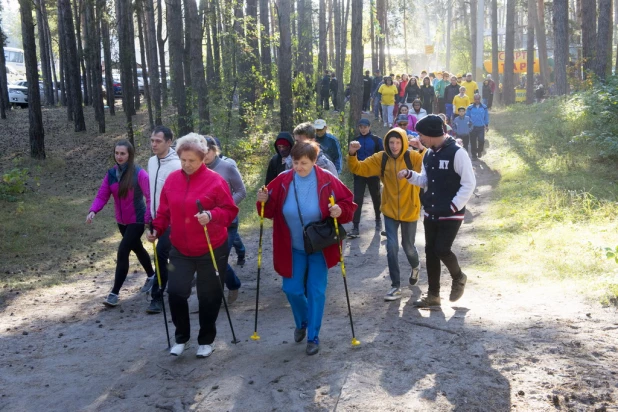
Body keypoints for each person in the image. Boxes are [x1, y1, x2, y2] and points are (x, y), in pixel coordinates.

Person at [257, 141, 356, 356]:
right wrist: (262, 200)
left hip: (320, 246)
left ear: (314, 161)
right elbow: (268, 210)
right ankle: (302, 322)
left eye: (304, 163)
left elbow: (348, 203)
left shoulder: (327, 180)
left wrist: (340, 210)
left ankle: (313, 335)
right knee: (291, 289)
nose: (299, 167)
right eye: (295, 162)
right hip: (292, 246)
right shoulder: (283, 180)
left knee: (316, 291)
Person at [147, 133, 238, 358]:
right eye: (183, 160)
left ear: (203, 157)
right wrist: (156, 229)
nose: (187, 165)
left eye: (192, 161)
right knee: (176, 292)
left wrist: (211, 214)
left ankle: (206, 340)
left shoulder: (216, 180)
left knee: (209, 296)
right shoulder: (172, 180)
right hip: (180, 248)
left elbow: (229, 211)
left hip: (211, 247)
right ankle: (181, 337)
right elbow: (164, 212)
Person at [398, 115, 475, 307]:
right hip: (431, 211)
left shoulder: (458, 153)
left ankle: (459, 277)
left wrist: (453, 206)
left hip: (451, 213)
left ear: (432, 134)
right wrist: (410, 175)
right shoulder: (429, 154)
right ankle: (433, 295)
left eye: (421, 134)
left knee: (442, 249)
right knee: (430, 252)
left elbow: (469, 183)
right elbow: (425, 180)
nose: (419, 138)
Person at [348, 128, 426, 301]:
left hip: (410, 209)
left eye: (398, 142)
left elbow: (428, 166)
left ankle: (415, 266)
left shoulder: (412, 157)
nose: (395, 146)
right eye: (391, 142)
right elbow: (359, 168)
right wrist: (352, 154)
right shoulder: (381, 158)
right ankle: (395, 286)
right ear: (386, 143)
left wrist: (421, 148)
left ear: (404, 142)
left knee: (408, 247)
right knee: (391, 246)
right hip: (389, 209)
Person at [87, 139, 155, 307]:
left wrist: (148, 218)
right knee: (136, 247)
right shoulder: (111, 173)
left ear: (129, 154)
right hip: (122, 221)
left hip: (137, 220)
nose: (119, 156)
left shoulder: (139, 173)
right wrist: (93, 210)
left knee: (123, 250)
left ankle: (114, 293)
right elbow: (102, 195)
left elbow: (149, 196)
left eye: (123, 153)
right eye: (117, 153)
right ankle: (152, 276)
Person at [203, 136, 246, 305]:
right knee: (208, 258)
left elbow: (241, 191)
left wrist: (226, 207)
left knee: (219, 258)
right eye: (201, 151)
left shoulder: (227, 167)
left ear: (215, 150)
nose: (205, 155)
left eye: (208, 151)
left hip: (228, 221)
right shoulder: (198, 170)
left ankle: (231, 285)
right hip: (207, 222)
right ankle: (219, 291)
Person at [146, 126, 181, 313]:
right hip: (155, 218)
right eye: (152, 140)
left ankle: (157, 296)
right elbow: (151, 192)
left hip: (172, 220)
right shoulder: (151, 162)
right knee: (168, 256)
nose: (154, 144)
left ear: (169, 142)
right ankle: (184, 278)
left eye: (158, 141)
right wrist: (149, 216)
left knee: (161, 254)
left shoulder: (176, 165)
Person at [348, 119, 383, 238]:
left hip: (373, 174)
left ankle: (378, 219)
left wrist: (380, 172)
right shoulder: (355, 140)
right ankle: (355, 226)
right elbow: (351, 156)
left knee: (376, 196)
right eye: (361, 127)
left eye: (365, 127)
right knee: (357, 199)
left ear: (369, 127)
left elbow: (382, 157)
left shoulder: (376, 140)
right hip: (359, 174)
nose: (363, 129)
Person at [466, 94, 490, 160]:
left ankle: (479, 151)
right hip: (472, 127)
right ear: (474, 99)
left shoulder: (484, 107)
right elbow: (467, 117)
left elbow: (486, 117)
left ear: (480, 99)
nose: (477, 100)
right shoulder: (470, 107)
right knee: (473, 141)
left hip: (481, 127)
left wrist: (486, 125)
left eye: (478, 99)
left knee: (481, 140)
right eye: (475, 99)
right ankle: (474, 155)